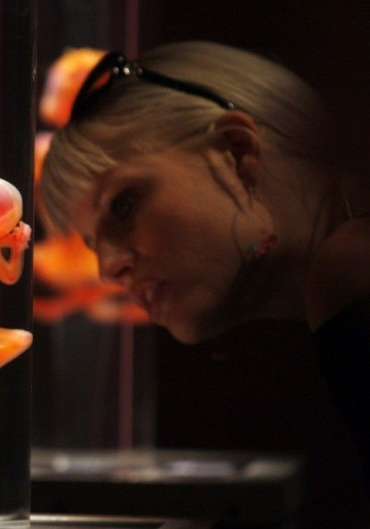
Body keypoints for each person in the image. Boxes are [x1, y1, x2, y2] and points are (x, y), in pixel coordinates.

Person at [39, 41, 370, 491]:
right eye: (92, 244)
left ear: (237, 152)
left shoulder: (350, 271)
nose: (108, 270)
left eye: (124, 205)